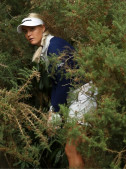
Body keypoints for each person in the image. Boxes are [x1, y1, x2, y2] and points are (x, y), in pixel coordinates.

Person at [17, 13, 92, 169]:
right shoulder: (46, 49)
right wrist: (53, 109)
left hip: (83, 95)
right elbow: (57, 83)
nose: (29, 34)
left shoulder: (54, 46)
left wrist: (56, 111)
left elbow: (66, 80)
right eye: (25, 31)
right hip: (77, 97)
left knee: (71, 149)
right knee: (79, 150)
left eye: (32, 29)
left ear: (43, 27)